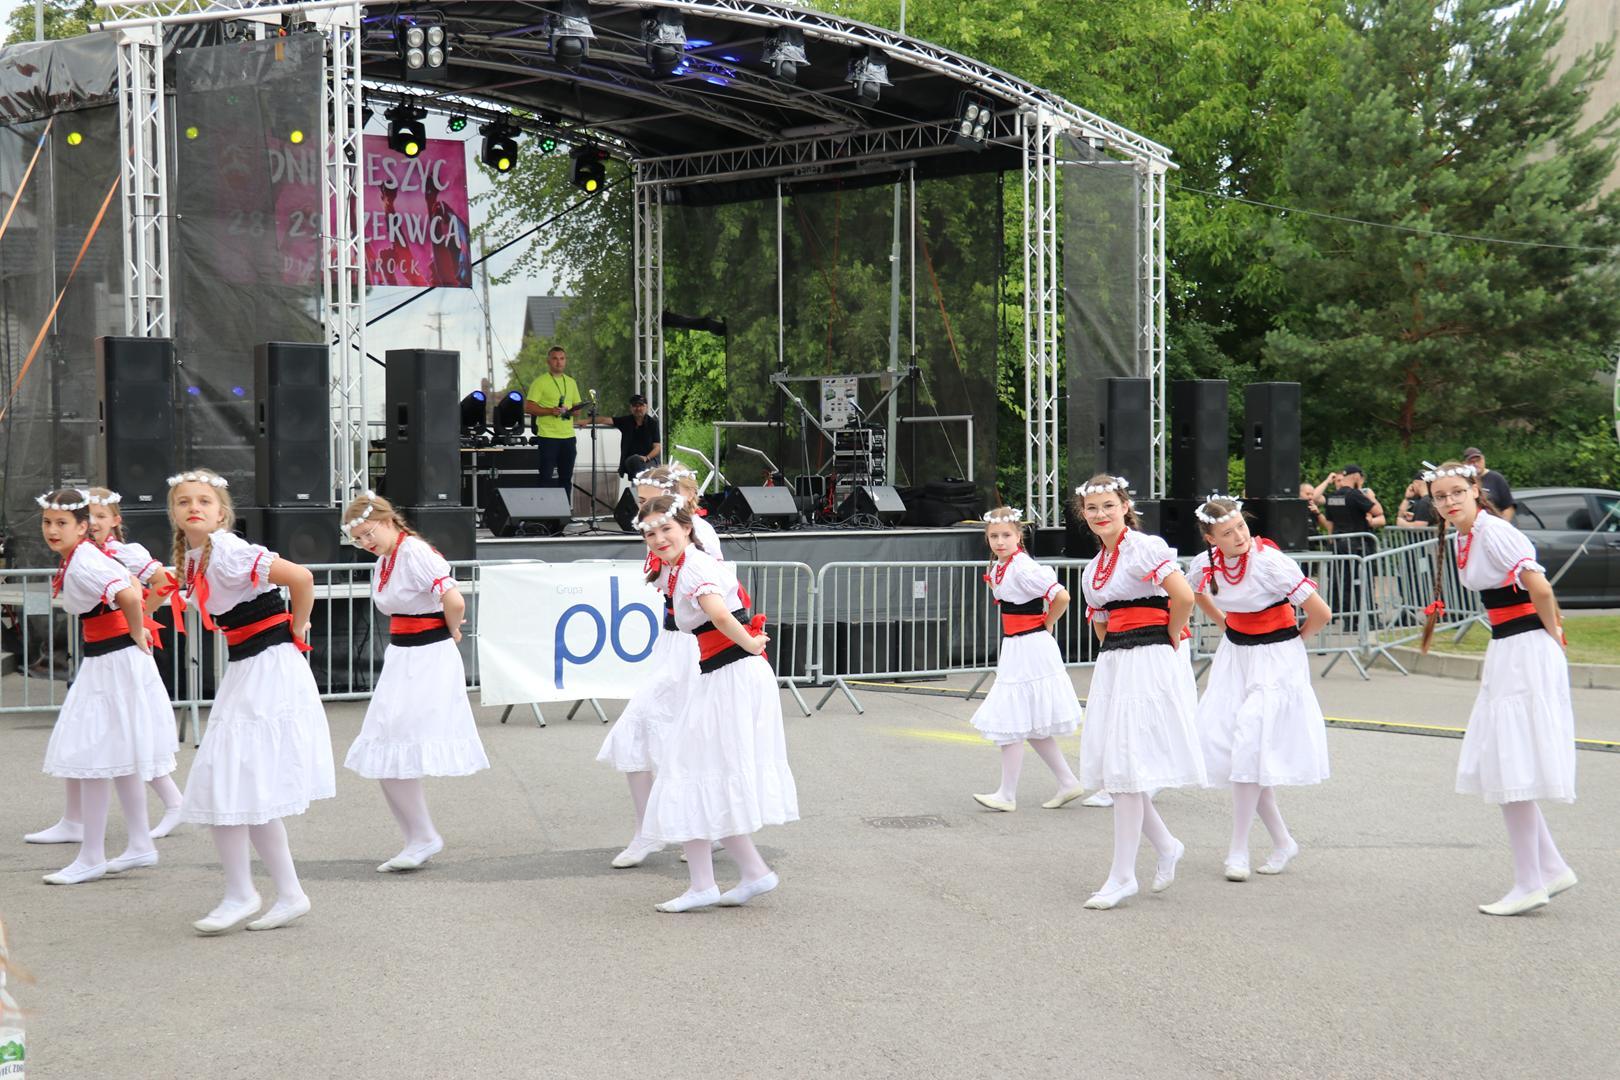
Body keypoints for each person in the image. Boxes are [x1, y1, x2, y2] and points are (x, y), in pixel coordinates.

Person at [168, 469, 335, 934]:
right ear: (174, 513)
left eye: (204, 501)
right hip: (247, 669)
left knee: (230, 779)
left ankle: (245, 893)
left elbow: (300, 577)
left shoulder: (228, 549)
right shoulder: (197, 558)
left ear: (222, 513)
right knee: (242, 785)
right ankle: (280, 893)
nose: (194, 507)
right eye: (184, 501)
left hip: (268, 668)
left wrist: (297, 626)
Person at [1421, 460, 1575, 916]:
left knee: (1511, 763)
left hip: (1525, 648)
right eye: (1440, 497)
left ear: (1475, 490)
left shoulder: (1494, 532)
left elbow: (1540, 588)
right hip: (1509, 647)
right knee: (1507, 759)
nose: (1449, 502)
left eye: (1456, 492)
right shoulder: (1469, 536)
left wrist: (1553, 637)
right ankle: (1551, 867)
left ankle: (1530, 881)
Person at [635, 493, 798, 912]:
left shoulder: (694, 567)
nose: (659, 538)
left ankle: (709, 883)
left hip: (733, 675)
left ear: (687, 528)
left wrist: (751, 643)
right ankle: (748, 873)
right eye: (651, 533)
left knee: (688, 770)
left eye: (666, 529)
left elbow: (721, 615)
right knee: (700, 772)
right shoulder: (680, 568)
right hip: (723, 674)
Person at [25, 488, 188, 846]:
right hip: (103, 652)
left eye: (100, 516)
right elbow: (126, 588)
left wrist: (138, 622)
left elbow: (147, 587)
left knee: (119, 734)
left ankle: (147, 822)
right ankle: (80, 822)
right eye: (48, 522)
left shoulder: (102, 555)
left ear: (111, 520)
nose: (53, 530)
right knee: (91, 733)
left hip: (117, 654)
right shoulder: (84, 554)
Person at [1074, 475, 1205, 910]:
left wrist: (1169, 636)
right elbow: (1100, 620)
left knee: (1127, 763)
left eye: (1108, 505)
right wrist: (1112, 654)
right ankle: (1166, 845)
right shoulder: (1094, 568)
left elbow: (1183, 596)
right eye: (1092, 508)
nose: (1100, 514)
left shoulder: (1144, 547)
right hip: (1117, 662)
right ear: (1083, 514)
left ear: (1124, 506)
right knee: (1120, 765)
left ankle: (1123, 875)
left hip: (1149, 658)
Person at [1187, 496, 1332, 882]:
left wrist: (1293, 643)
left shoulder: (1270, 562)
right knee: (1242, 751)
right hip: (1235, 656)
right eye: (1227, 533)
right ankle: (1283, 841)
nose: (1239, 536)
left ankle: (1238, 849)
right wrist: (1224, 622)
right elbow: (1195, 593)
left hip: (1276, 658)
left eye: (1240, 527)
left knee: (1251, 745)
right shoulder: (1205, 564)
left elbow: (1321, 613)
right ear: (1210, 538)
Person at [341, 493, 489, 872]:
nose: (365, 542)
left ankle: (422, 837)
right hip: (403, 656)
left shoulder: (415, 553)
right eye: (358, 539)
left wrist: (452, 630)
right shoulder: (388, 559)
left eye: (368, 533)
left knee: (396, 743)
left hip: (427, 657)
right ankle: (418, 837)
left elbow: (454, 599)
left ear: (388, 521)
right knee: (385, 746)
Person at [597, 464, 722, 868]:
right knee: (640, 733)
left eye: (649, 500)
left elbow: (711, 592)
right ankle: (652, 830)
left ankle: (700, 830)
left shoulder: (697, 535)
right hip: (672, 645)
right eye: (641, 502)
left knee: (685, 738)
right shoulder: (660, 536)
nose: (643, 509)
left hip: (692, 649)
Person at [966, 506, 1086, 812]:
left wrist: (1047, 623)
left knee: (1012, 720)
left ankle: (1007, 794)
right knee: (1029, 723)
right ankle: (1067, 781)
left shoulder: (1023, 567)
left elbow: (1061, 596)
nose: (1000, 541)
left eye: (1006, 535)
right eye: (994, 536)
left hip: (1031, 645)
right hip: (1017, 645)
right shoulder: (1002, 566)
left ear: (1019, 535)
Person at [523, 346, 585, 495]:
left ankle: (565, 509)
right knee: (545, 477)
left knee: (566, 478)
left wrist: (570, 410)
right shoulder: (540, 382)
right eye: (555, 358)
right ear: (548, 361)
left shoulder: (571, 382)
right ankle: (543, 508)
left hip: (568, 437)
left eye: (562, 358)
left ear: (566, 361)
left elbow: (578, 410)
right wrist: (551, 411)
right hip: (548, 437)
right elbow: (529, 407)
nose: (559, 362)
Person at [582, 393, 662, 478]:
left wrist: (646, 458)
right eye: (635, 406)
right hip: (631, 462)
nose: (638, 408)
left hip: (649, 461)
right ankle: (640, 482)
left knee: (641, 466)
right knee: (635, 460)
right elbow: (604, 420)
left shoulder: (653, 423)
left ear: (646, 407)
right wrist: (587, 421)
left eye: (641, 405)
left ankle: (642, 482)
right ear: (630, 408)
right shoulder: (626, 421)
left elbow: (657, 447)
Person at [1461, 447, 1516, 522]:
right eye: (1471, 462)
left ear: (1483, 459)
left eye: (1478, 460)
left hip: (1494, 524)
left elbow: (1509, 507)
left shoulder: (1496, 478)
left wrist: (1502, 525)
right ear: (1465, 464)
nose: (1476, 464)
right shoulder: (1463, 481)